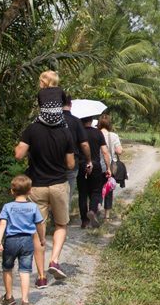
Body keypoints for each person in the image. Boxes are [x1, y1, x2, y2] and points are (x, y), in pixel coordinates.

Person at [16, 100, 75, 289]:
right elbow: (71, 164)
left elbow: (19, 154)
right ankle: (54, 260)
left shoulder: (32, 130)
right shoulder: (65, 131)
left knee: (37, 230)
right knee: (61, 224)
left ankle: (41, 277)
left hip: (36, 187)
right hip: (58, 184)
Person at [0, 175, 45, 305]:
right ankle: (25, 301)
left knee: (7, 268)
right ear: (30, 191)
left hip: (10, 241)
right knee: (25, 271)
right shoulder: (33, 207)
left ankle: (9, 298)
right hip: (27, 241)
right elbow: (39, 224)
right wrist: (42, 239)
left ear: (12, 191)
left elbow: (2, 223)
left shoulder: (7, 207)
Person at [61, 95, 92, 227]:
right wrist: (89, 160)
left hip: (52, 162)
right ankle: (62, 222)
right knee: (67, 192)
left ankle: (51, 219)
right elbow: (84, 144)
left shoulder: (52, 120)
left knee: (52, 189)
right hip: (72, 162)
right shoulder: (76, 122)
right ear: (70, 105)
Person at [80, 116, 111, 227]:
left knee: (82, 193)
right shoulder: (98, 133)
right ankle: (92, 211)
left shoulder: (78, 132)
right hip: (96, 165)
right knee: (96, 191)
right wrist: (108, 168)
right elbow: (105, 152)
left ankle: (84, 221)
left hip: (82, 165)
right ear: (92, 120)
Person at [97, 115, 123, 217]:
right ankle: (107, 216)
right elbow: (119, 151)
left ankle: (97, 206)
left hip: (97, 166)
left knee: (97, 189)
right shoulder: (113, 136)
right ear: (109, 124)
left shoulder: (95, 133)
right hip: (110, 167)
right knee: (108, 189)